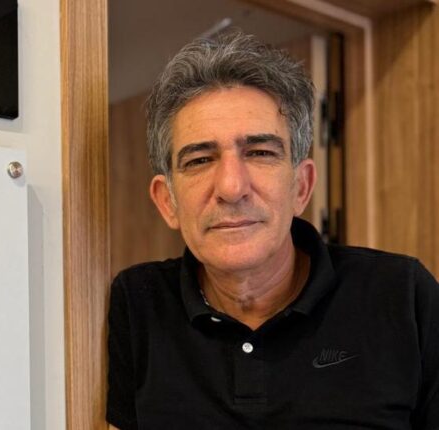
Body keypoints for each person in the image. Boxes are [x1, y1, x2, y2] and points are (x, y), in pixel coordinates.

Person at [106, 32, 439, 429]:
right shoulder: (139, 303)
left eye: (260, 153)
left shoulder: (401, 296)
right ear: (167, 201)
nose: (232, 187)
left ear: (301, 187)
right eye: (199, 160)